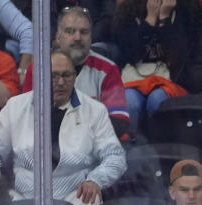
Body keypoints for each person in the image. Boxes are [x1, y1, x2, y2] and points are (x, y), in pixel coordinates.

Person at [0, 50, 127, 205]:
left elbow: (116, 157)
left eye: (66, 75)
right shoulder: (15, 107)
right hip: (22, 195)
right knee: (0, 204)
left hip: (75, 196)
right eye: (54, 76)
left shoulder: (95, 110)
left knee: (90, 201)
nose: (61, 82)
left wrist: (95, 179)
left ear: (75, 76)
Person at [21, 6, 131, 139]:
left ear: (91, 37)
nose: (77, 37)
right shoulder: (38, 69)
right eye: (70, 31)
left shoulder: (108, 70)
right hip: (49, 152)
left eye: (84, 32)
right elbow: (28, 119)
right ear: (58, 37)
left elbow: (118, 122)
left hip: (94, 153)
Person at [112, 0, 202, 131]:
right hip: (135, 80)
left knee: (157, 99)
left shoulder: (188, 10)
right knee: (130, 101)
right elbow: (131, 55)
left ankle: (160, 149)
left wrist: (165, 18)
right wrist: (150, 20)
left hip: (173, 80)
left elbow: (178, 57)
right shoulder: (128, 10)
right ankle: (129, 148)